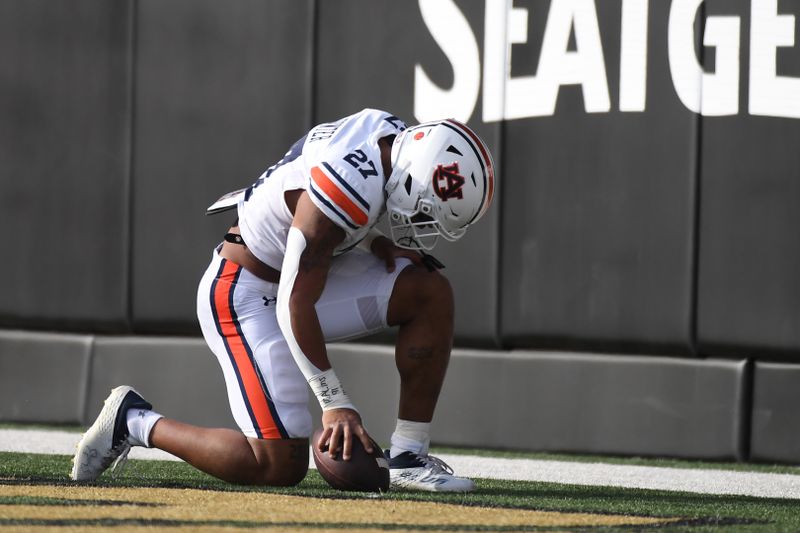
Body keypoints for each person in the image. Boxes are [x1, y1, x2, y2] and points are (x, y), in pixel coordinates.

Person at [71, 108, 495, 492]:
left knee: (428, 292)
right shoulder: (347, 184)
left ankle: (408, 455)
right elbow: (296, 298)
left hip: (297, 277)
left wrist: (376, 242)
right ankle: (134, 421)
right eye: (425, 212)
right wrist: (335, 405)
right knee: (277, 464)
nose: (422, 225)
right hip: (247, 293)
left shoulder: (392, 140)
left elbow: (320, 219)